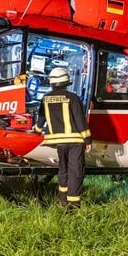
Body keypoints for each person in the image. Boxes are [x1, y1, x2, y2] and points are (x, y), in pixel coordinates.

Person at [34, 67, 92, 209]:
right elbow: (80, 119)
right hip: (75, 141)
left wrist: (37, 131)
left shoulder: (45, 98)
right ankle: (73, 204)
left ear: (52, 83)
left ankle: (62, 198)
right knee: (76, 171)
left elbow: (41, 117)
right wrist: (88, 140)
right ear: (67, 82)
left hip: (58, 142)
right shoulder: (72, 97)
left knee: (63, 169)